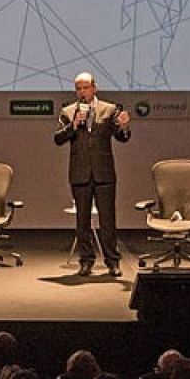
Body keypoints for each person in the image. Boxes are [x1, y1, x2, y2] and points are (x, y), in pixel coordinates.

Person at [54, 71, 131, 277]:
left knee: (108, 220)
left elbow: (122, 137)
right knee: (82, 221)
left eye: (86, 88)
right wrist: (73, 125)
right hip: (80, 172)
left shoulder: (109, 109)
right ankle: (86, 261)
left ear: (94, 88)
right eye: (78, 88)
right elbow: (58, 138)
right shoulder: (68, 112)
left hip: (104, 173)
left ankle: (112, 261)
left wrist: (124, 127)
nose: (82, 92)